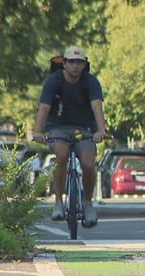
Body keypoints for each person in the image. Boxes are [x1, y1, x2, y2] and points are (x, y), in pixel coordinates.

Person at [32, 46, 108, 227]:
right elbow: (44, 108)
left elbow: (97, 107)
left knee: (89, 163)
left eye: (79, 62)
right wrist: (37, 132)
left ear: (84, 65)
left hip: (84, 128)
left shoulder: (91, 82)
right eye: (71, 62)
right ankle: (58, 203)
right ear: (64, 64)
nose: (75, 66)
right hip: (58, 127)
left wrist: (101, 130)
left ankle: (88, 204)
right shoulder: (53, 82)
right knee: (62, 155)